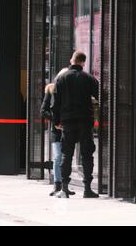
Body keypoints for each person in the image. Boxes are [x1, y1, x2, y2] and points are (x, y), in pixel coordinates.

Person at [52, 51, 100, 199]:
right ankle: (87, 188)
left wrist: (57, 121)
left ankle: (64, 188)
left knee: (67, 153)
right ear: (83, 63)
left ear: (72, 60)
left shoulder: (61, 78)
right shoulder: (90, 79)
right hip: (85, 120)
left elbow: (56, 104)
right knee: (87, 154)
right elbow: (99, 98)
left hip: (67, 121)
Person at [41, 83, 74, 197]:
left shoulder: (70, 91)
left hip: (69, 128)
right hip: (56, 130)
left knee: (67, 157)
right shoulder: (50, 90)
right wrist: (55, 122)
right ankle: (57, 185)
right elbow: (43, 110)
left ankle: (64, 186)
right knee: (58, 156)